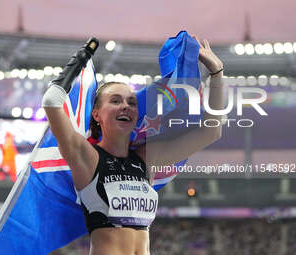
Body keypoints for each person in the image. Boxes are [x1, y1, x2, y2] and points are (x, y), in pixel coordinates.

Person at [42, 35, 224, 255]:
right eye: (115, 101)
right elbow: (52, 101)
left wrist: (216, 74)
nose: (125, 106)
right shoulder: (86, 157)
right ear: (96, 114)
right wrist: (80, 60)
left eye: (132, 102)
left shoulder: (147, 158)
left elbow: (211, 131)